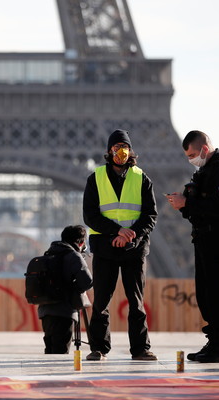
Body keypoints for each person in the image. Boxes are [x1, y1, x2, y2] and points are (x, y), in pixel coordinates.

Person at [82, 129, 158, 361]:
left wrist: (130, 234)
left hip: (133, 248)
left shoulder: (141, 178)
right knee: (102, 301)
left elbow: (150, 215)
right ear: (109, 151)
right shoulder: (95, 178)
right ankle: (99, 348)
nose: (120, 152)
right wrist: (117, 231)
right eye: (116, 147)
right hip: (106, 246)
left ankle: (140, 349)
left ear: (131, 151)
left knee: (135, 302)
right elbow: (90, 216)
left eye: (124, 147)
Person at [166, 130, 219, 363]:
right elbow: (199, 209)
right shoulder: (204, 171)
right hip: (203, 237)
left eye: (193, 155)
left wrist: (188, 202)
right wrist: (184, 205)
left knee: (217, 292)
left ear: (205, 149)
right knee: (206, 293)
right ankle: (215, 341)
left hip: (218, 237)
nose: (191, 160)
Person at [38, 225, 93, 354]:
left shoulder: (48, 254)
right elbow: (87, 282)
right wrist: (73, 289)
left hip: (45, 311)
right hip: (65, 312)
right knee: (60, 353)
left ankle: (48, 373)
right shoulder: (74, 256)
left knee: (50, 350)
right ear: (81, 242)